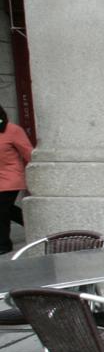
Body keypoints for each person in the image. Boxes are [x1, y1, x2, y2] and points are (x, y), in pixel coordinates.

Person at [0, 106, 32, 255]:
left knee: (1, 210)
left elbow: (28, 152)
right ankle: (34, 225)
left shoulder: (12, 130)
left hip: (10, 177)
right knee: (8, 209)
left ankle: (4, 244)